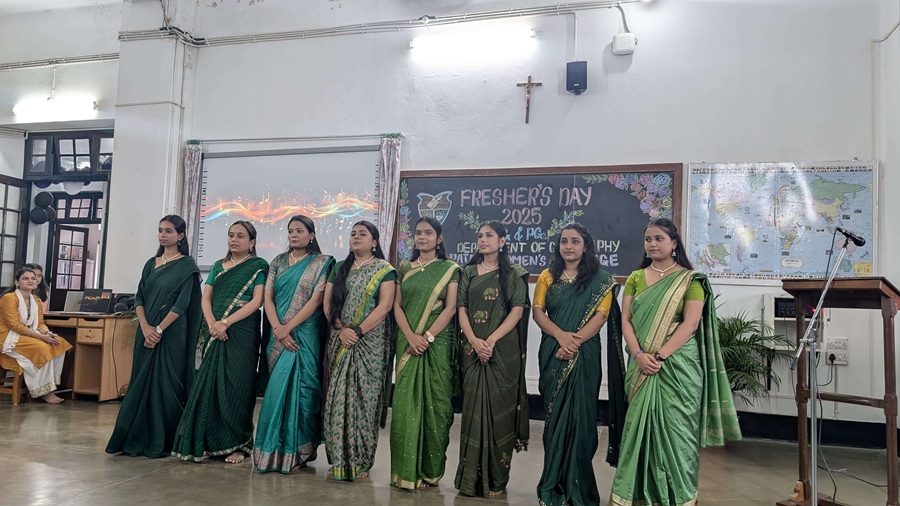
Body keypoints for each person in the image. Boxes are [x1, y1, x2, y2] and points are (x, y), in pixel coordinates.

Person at [610, 218, 742, 506]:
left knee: (679, 434)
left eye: (659, 238)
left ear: (673, 243)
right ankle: (636, 496)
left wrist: (659, 356)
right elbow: (626, 321)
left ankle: (679, 497)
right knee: (638, 432)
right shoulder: (635, 278)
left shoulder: (691, 280)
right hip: (641, 364)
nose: (652, 244)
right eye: (648, 239)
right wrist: (639, 355)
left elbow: (690, 323)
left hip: (678, 367)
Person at [533, 223, 624, 506]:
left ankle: (579, 489)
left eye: (575, 241)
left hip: (585, 353)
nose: (568, 246)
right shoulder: (547, 276)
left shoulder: (601, 280)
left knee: (582, 421)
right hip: (552, 350)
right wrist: (560, 336)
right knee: (554, 420)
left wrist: (573, 343)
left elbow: (601, 317)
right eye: (564, 241)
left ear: (586, 246)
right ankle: (552, 485)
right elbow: (538, 313)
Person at [106, 215, 202, 459]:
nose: (163, 235)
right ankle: (135, 437)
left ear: (180, 236)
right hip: (146, 331)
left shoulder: (187, 266)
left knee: (168, 384)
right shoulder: (151, 263)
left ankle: (165, 440)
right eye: (160, 230)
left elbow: (182, 304)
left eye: (169, 231)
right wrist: (146, 327)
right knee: (141, 382)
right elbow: (139, 297)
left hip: (172, 334)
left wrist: (159, 330)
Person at [171, 221, 268, 464]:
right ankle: (206, 441)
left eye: (241, 236)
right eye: (231, 235)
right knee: (209, 386)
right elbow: (206, 299)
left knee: (238, 387)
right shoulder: (218, 266)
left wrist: (226, 322)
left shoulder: (258, 266)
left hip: (243, 332)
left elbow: (257, 302)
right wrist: (214, 323)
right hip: (215, 331)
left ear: (252, 242)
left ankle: (239, 445)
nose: (234, 239)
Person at [455, 220, 530, 498]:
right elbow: (461, 309)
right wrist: (475, 341)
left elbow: (517, 312)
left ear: (502, 241)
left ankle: (497, 480)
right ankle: (470, 480)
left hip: (502, 352)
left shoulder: (515, 274)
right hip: (472, 350)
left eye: (489, 235)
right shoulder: (467, 272)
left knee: (501, 414)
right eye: (480, 236)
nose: (483, 240)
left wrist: (491, 341)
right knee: (473, 413)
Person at [253, 215, 334, 473]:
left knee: (306, 390)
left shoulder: (322, 262)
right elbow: (268, 297)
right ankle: (273, 452)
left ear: (311, 235)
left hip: (305, 334)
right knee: (276, 390)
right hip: (278, 334)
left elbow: (316, 301)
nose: (294, 235)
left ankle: (300, 451)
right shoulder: (277, 261)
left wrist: (288, 327)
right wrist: (278, 328)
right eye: (291, 231)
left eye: (300, 231)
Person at [323, 220, 396, 481]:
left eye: (362, 234)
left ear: (374, 242)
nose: (356, 237)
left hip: (370, 342)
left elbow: (385, 306)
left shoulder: (384, 270)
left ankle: (361, 461)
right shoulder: (339, 269)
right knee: (336, 401)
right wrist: (341, 329)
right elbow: (328, 304)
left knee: (365, 402)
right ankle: (339, 459)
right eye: (353, 234)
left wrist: (358, 331)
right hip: (340, 339)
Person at [390, 217, 460, 490]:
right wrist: (411, 336)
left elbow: (450, 308)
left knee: (437, 406)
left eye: (428, 233)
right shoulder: (404, 268)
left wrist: (427, 337)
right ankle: (405, 473)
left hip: (437, 344)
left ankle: (430, 472)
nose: (422, 237)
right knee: (405, 408)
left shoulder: (450, 269)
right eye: (418, 233)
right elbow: (397, 306)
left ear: (439, 238)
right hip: (407, 342)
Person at [0, 267, 71, 403]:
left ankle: (51, 385)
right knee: (42, 348)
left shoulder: (36, 300)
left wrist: (48, 333)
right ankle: (43, 391)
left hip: (27, 335)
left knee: (59, 343)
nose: (31, 281)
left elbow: (39, 325)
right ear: (17, 282)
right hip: (8, 337)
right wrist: (42, 338)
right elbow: (15, 326)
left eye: (33, 278)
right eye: (25, 278)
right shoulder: (9, 298)